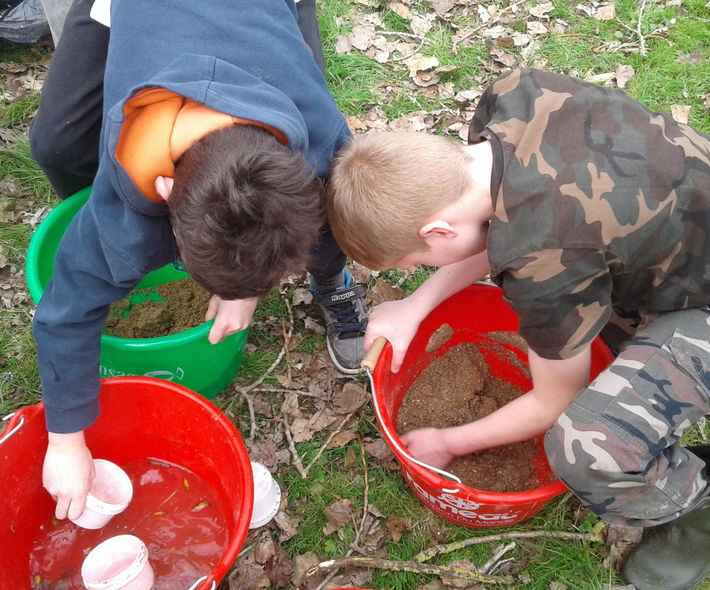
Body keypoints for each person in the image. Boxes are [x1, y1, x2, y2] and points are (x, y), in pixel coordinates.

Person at [327, 68, 710, 590]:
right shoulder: (514, 96)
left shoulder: (547, 265)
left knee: (585, 444)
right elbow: (492, 226)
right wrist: (416, 304)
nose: (421, 271)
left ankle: (694, 513)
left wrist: (449, 440)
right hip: (679, 231)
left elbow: (552, 402)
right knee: (589, 345)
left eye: (414, 262)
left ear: (436, 231)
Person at [30, 0, 369, 525]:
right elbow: (64, 312)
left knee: (333, 226)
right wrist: (65, 439)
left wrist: (245, 288)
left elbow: (331, 212)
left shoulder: (321, 139)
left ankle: (332, 282)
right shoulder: (124, 212)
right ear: (163, 193)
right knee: (53, 144)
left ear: (299, 174)